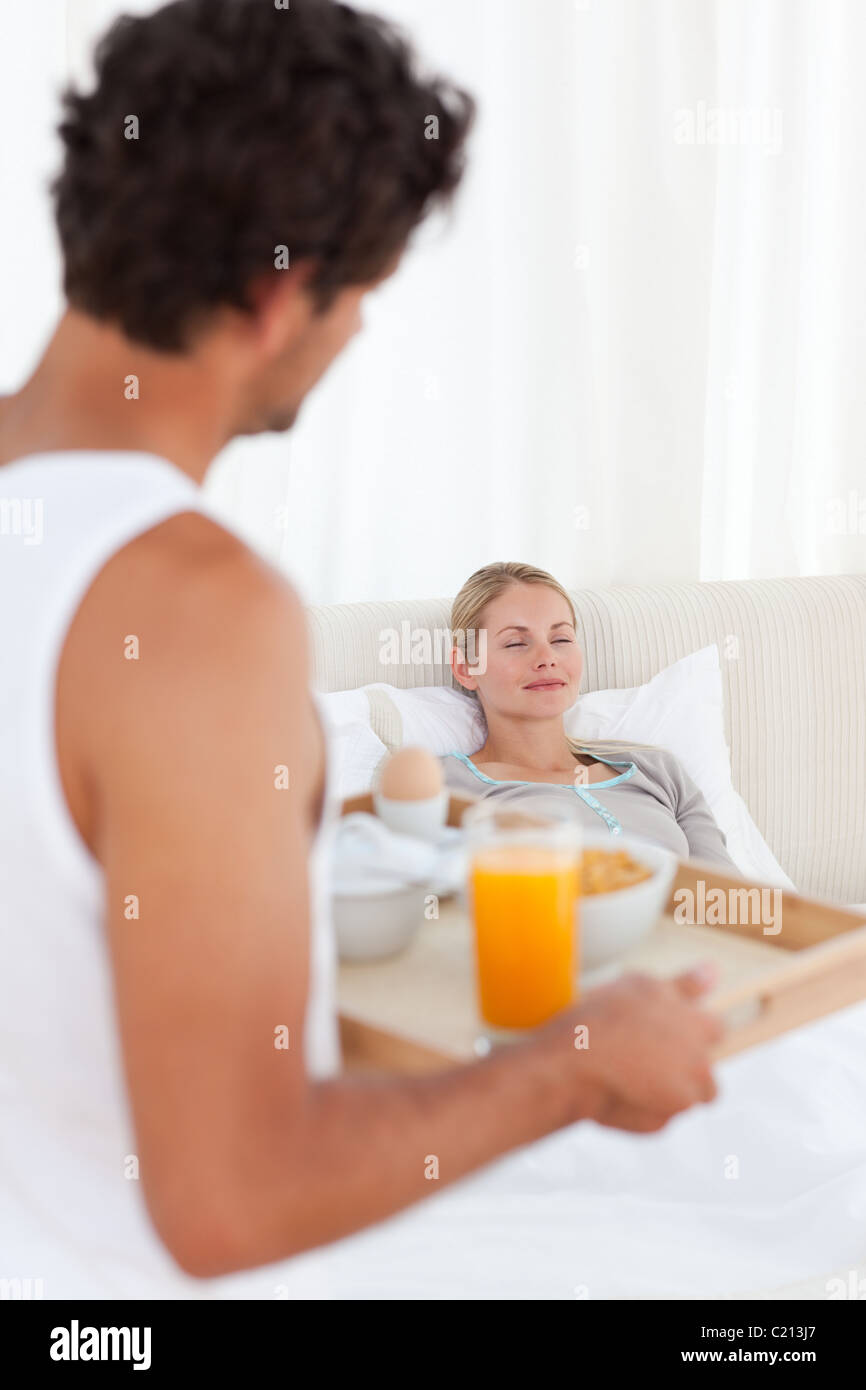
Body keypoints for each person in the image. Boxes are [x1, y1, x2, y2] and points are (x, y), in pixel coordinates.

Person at [0, 0, 723, 1298]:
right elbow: (230, 1198)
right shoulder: (194, 608)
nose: (360, 332)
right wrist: (578, 1059)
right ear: (282, 292)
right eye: (364, 293)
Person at [445, 561, 741, 872]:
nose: (547, 658)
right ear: (465, 667)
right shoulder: (447, 786)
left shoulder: (659, 772)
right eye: (516, 643)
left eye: (560, 639)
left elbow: (728, 897)